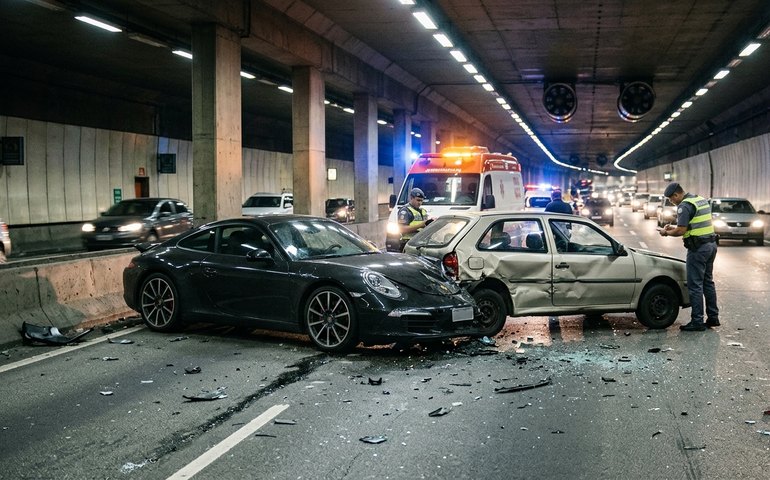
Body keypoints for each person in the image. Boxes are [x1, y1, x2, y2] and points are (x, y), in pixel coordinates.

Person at [659, 182, 719, 331]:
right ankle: (713, 317)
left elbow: (681, 230)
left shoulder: (684, 206)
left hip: (698, 249)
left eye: (671, 199)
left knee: (695, 285)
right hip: (711, 245)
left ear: (676, 195)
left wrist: (666, 232)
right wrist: (675, 228)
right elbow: (693, 225)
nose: (671, 202)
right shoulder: (699, 199)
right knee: (708, 283)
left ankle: (697, 321)